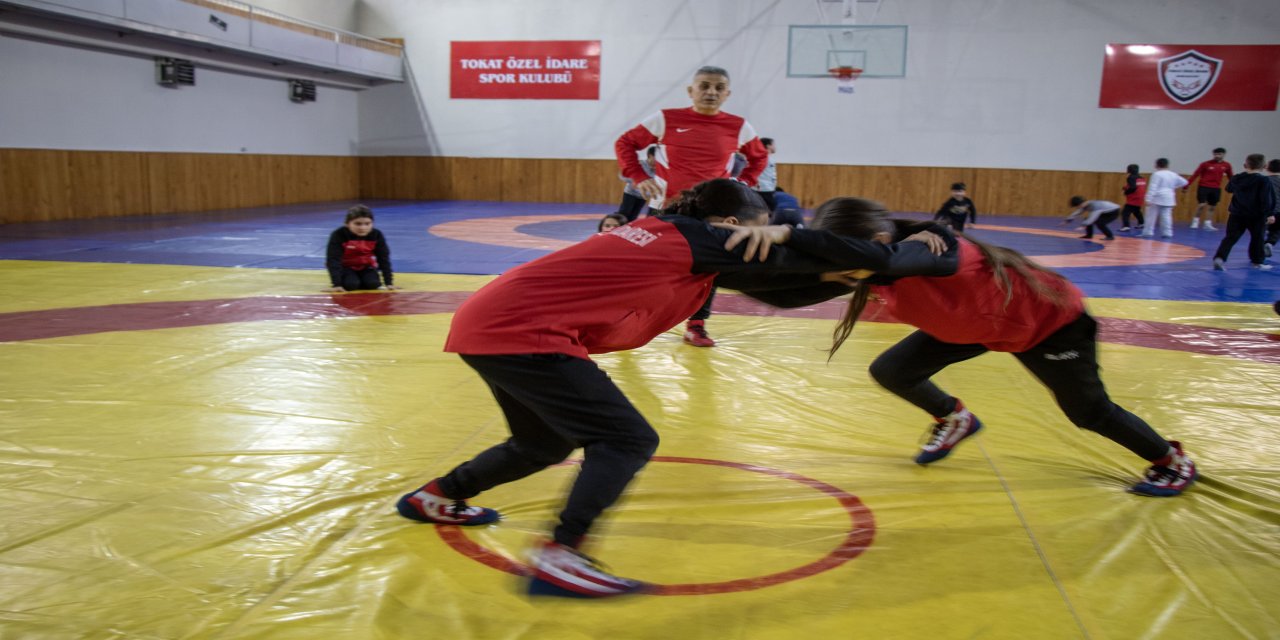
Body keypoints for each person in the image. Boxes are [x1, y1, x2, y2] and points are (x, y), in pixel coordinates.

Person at [394, 180, 941, 598]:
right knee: (626, 439)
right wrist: (893, 252)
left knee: (542, 443)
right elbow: (831, 257)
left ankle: (437, 497)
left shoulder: (676, 242)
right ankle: (561, 555)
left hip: (493, 323)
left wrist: (830, 279)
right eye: (761, 228)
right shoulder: (694, 238)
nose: (765, 237)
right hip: (523, 331)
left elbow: (776, 291)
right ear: (732, 225)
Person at [722, 197, 1198, 498]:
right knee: (892, 370)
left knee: (1090, 413)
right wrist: (711, 270)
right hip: (976, 327)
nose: (843, 274)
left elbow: (892, 260)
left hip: (1049, 325)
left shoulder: (935, 246)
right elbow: (788, 296)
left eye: (846, 257)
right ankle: (955, 418)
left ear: (879, 241)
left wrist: (789, 232)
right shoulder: (870, 266)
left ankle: (1170, 460)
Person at [614, 65, 769, 348]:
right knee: (649, 265)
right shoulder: (665, 119)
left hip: (713, 212)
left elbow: (759, 158)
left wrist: (742, 183)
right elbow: (625, 143)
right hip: (667, 207)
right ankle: (629, 318)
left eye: (719, 88)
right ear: (691, 90)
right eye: (704, 86)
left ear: (727, 94)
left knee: (708, 269)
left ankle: (697, 324)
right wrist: (639, 177)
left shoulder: (739, 127)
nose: (711, 92)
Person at [1211, 154, 1276, 271]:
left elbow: (1228, 189)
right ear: (1263, 166)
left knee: (1230, 237)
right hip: (1256, 215)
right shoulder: (1263, 180)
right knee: (1257, 238)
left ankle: (1220, 258)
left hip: (1237, 213)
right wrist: (1269, 213)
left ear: (1245, 165)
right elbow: (1266, 199)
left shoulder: (1237, 178)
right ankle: (1257, 262)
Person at [325, 205, 398, 292]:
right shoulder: (339, 235)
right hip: (346, 267)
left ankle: (362, 279)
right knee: (351, 285)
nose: (363, 228)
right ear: (347, 224)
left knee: (373, 284)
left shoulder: (376, 235)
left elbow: (383, 258)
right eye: (357, 224)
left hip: (366, 266)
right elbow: (333, 259)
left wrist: (389, 283)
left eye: (367, 224)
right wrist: (337, 284)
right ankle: (352, 279)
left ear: (372, 223)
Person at [1185, 147, 1233, 231]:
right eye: (1215, 154)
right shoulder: (1205, 164)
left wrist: (1236, 186)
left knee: (1212, 206)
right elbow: (1195, 174)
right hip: (1204, 186)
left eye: (1219, 154)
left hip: (1216, 188)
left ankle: (1207, 223)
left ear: (1223, 155)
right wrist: (1187, 185)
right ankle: (1195, 221)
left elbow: (1231, 177)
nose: (1217, 156)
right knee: (1202, 204)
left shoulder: (1226, 165)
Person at [1142, 158, 1188, 239]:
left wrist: (1148, 198)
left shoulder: (1157, 174)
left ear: (1157, 165)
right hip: (1169, 197)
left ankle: (1148, 231)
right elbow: (1185, 182)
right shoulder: (1173, 174)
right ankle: (1167, 233)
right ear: (1167, 165)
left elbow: (1153, 187)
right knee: (1166, 216)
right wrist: (1173, 187)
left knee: (1151, 216)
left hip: (1157, 197)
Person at [616, 146, 658, 221]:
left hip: (643, 196)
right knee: (624, 214)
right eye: (656, 158)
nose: (658, 161)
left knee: (633, 216)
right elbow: (622, 176)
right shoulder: (640, 165)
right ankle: (616, 226)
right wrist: (635, 180)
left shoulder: (659, 169)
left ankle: (628, 228)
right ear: (650, 156)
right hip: (631, 193)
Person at [1119, 164, 1146, 232]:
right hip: (1141, 197)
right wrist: (1125, 187)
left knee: (1125, 212)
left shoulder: (1131, 177)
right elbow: (1137, 186)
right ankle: (1141, 223)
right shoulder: (1141, 178)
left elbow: (1133, 187)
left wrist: (1126, 192)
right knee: (1136, 211)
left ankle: (1126, 226)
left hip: (1134, 198)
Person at [754, 137, 779, 211]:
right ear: (768, 146)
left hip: (769, 188)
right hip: (763, 189)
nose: (775, 147)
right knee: (767, 210)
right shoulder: (762, 157)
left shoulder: (770, 158)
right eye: (773, 144)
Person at [1263, 158, 1280, 257]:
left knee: (1259, 232)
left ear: (1268, 168)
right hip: (1278, 211)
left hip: (1265, 211)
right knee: (1276, 231)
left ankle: (1258, 252)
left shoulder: (1263, 180)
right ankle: (1270, 243)